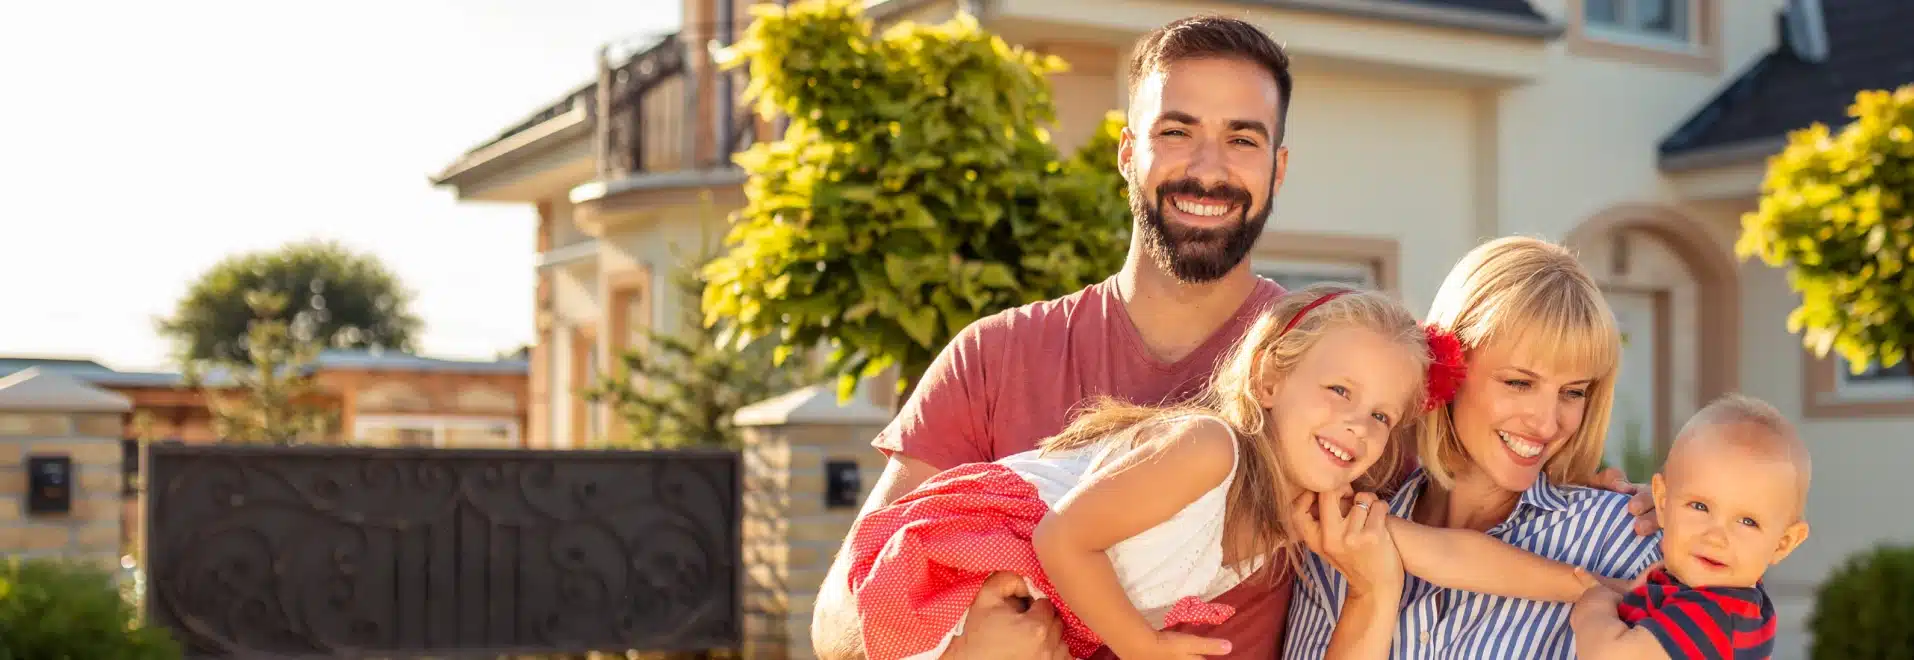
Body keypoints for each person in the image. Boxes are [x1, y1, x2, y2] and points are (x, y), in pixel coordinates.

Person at [811, 14, 1305, 660]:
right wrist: (961, 654)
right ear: (1128, 153)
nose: (1207, 169)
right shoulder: (994, 357)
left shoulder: (1321, 366)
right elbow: (838, 618)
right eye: (1176, 132)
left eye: (1242, 140)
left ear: (1278, 167)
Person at [1284, 236, 1667, 658]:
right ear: (1450, 365)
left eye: (1573, 392)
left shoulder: (1625, 541)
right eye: (1519, 383)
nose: (1546, 422)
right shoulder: (1333, 534)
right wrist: (1370, 594)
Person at [1570, 393, 1811, 659]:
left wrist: (1594, 606)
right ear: (1662, 502)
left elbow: (1609, 656)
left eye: (1747, 522)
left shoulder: (1716, 614)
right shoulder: (1720, 596)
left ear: (1783, 543)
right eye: (1700, 507)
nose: (1716, 537)